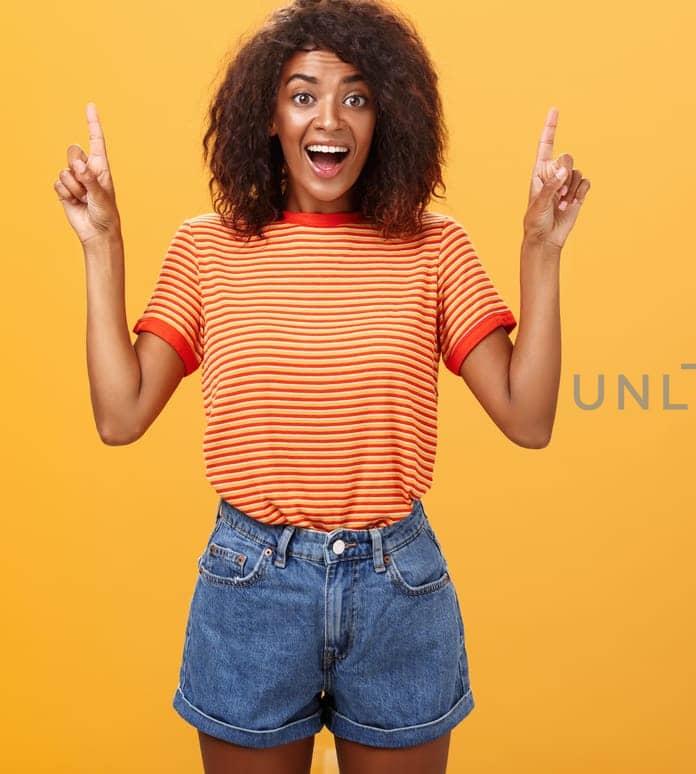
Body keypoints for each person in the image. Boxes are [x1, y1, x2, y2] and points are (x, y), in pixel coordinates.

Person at [52, 0, 591, 770]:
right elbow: (120, 414)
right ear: (268, 115)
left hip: (396, 591)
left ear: (386, 117)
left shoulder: (435, 249)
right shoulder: (208, 250)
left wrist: (541, 247)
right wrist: (102, 241)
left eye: (357, 96)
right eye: (303, 95)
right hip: (252, 588)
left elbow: (529, 417)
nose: (329, 119)